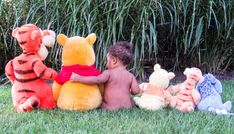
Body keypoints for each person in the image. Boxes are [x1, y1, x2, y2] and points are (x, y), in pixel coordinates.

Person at [70, 41, 141, 111]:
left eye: (107, 60)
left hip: (110, 108)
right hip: (127, 107)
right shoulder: (130, 76)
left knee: (100, 102)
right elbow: (136, 91)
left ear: (113, 60)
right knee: (131, 100)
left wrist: (79, 78)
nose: (106, 63)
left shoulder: (108, 73)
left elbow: (97, 80)